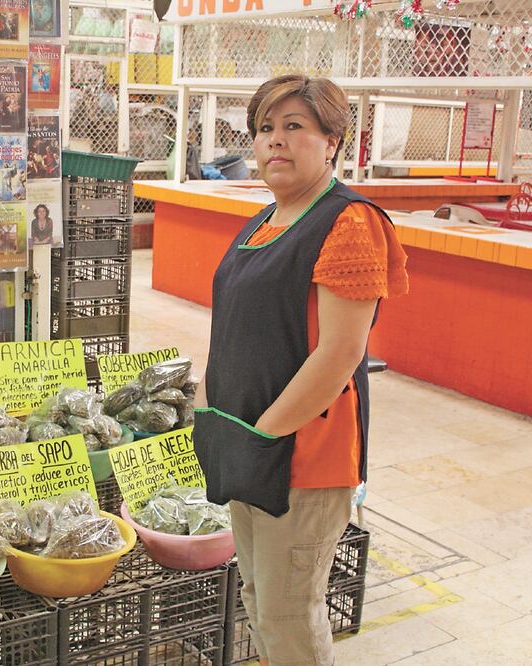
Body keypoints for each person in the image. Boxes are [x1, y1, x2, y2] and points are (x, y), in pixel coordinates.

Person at [192, 75, 408, 666]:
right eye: (265, 129)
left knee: (289, 613)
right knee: (262, 602)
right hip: (250, 448)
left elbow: (340, 354)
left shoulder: (349, 222)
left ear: (333, 140)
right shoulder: (267, 216)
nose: (275, 143)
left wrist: (262, 432)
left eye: (295, 128)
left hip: (305, 457)